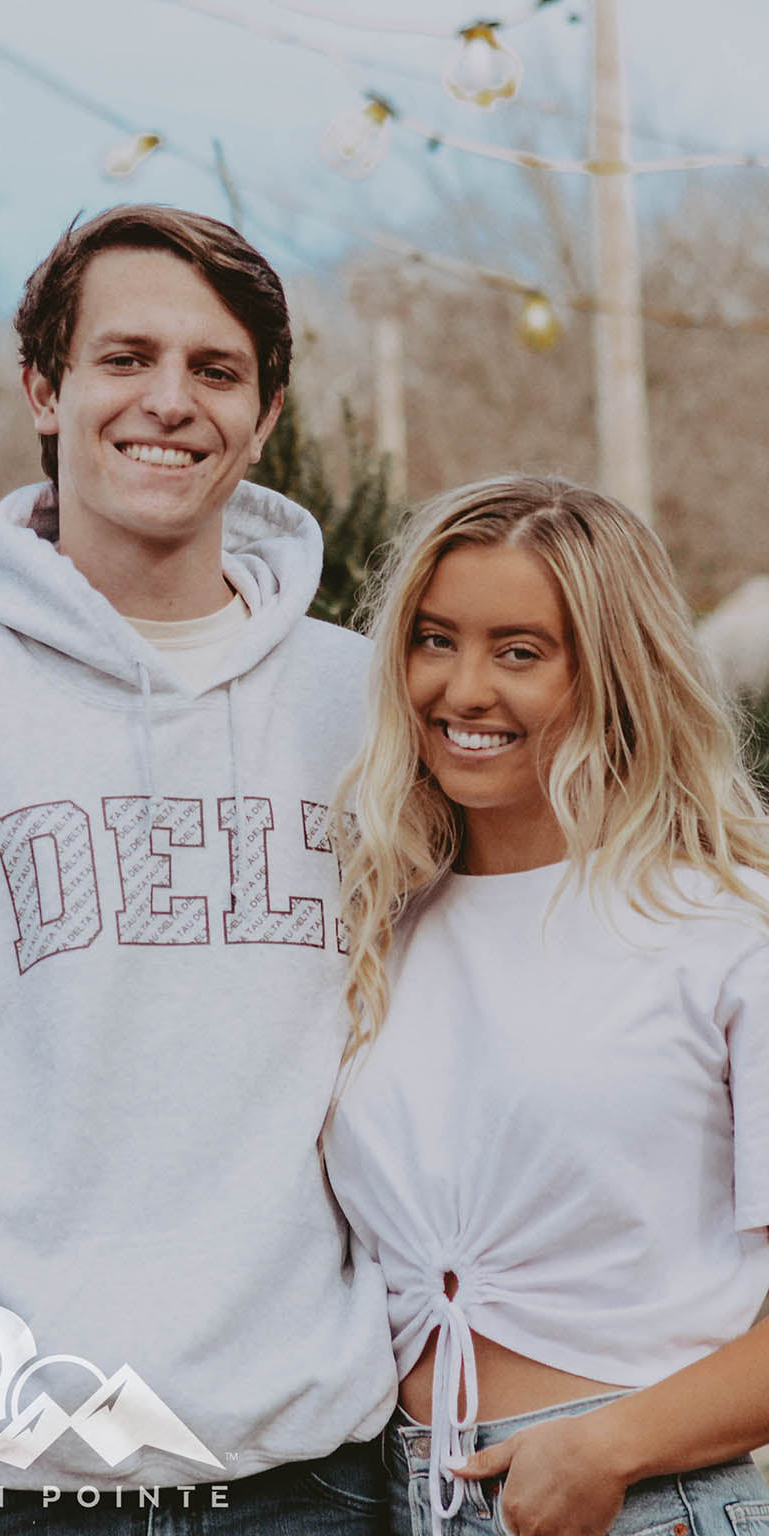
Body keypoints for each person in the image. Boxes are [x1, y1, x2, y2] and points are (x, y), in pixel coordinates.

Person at [0, 206, 396, 1536]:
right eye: (125, 358)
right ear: (44, 388)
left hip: (315, 1491)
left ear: (265, 417)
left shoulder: (365, 708)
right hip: (7, 1499)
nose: (170, 401)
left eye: (216, 371)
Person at [323, 475, 769, 1536]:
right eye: (435, 639)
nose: (463, 689)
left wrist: (608, 1448)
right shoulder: (378, 924)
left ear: (611, 672)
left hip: (633, 1498)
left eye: (518, 652)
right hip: (394, 1492)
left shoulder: (722, 930)